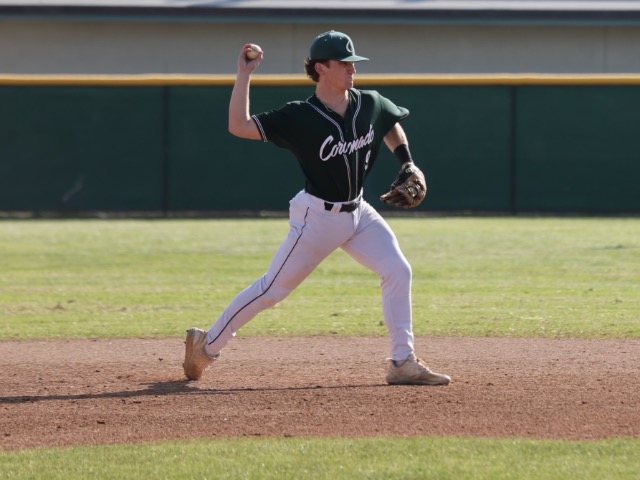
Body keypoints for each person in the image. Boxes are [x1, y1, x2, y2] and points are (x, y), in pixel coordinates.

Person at [183, 31, 451, 386]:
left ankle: (402, 362)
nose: (352, 69)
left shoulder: (369, 103)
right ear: (321, 68)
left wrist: (408, 164)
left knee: (398, 270)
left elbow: (391, 123)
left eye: (353, 62)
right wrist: (244, 75)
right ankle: (207, 345)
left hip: (359, 213)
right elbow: (239, 126)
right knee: (271, 291)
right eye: (344, 63)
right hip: (317, 218)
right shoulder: (299, 116)